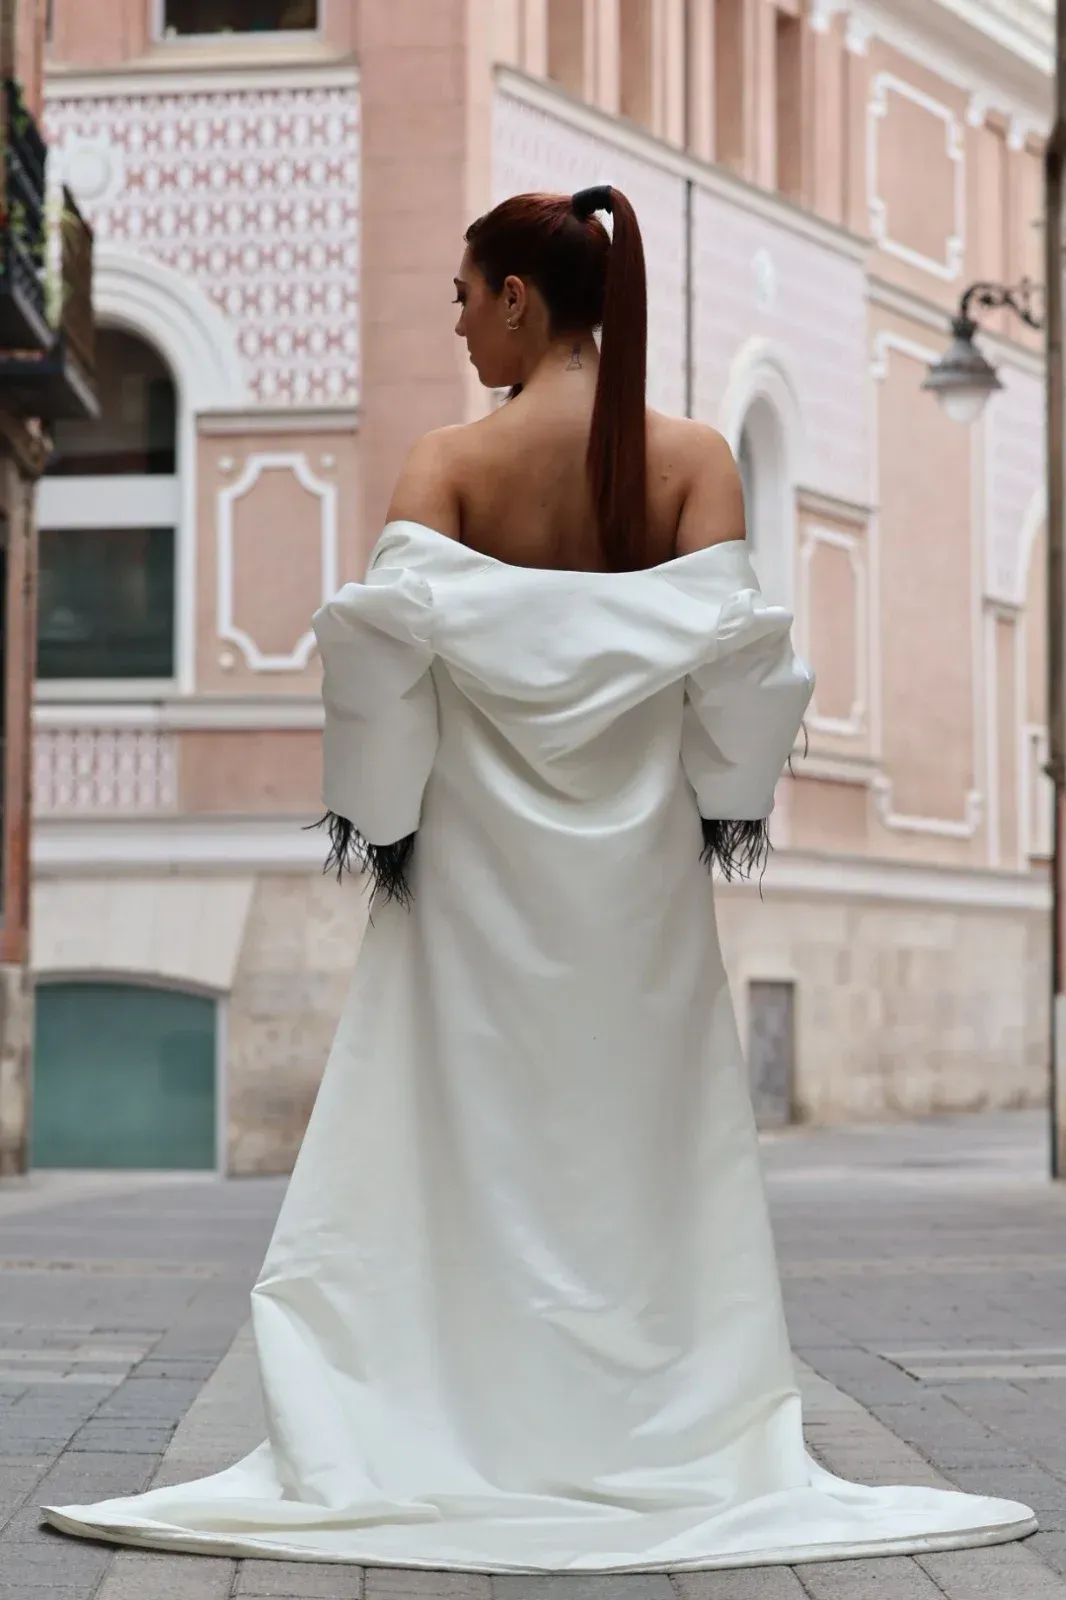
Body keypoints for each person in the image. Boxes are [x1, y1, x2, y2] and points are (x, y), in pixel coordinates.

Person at [43, 187, 1035, 1574]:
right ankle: (646, 1425)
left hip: (467, 886)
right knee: (633, 1155)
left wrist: (380, 821)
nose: (454, 324)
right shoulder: (692, 463)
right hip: (632, 895)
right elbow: (738, 687)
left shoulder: (447, 468)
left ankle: (456, 1413)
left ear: (519, 296)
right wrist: (707, 806)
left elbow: (380, 685)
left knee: (454, 1149)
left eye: (463, 295)